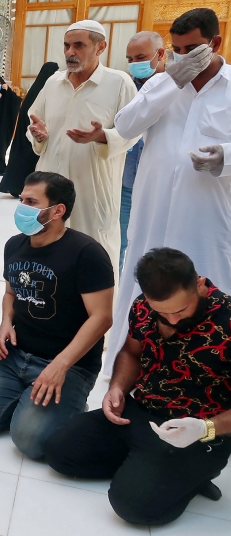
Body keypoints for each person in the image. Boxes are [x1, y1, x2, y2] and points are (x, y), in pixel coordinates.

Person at [46, 248, 230, 525]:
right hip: (141, 411)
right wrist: (117, 388)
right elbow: (131, 353)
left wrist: (207, 428)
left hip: (199, 430)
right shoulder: (143, 306)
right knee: (60, 452)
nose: (172, 320)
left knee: (134, 507)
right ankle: (144, 466)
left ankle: (191, 476)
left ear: (200, 285)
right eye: (162, 312)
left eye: (181, 309)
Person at [103, 8, 231, 378]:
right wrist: (168, 82)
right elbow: (126, 125)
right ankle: (126, 370)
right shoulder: (165, 83)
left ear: (215, 43)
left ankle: (205, 376)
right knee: (142, 281)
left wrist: (226, 157)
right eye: (176, 50)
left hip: (206, 213)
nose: (184, 57)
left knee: (207, 288)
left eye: (192, 49)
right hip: (154, 210)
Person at [0, 172, 114, 460]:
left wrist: (60, 365)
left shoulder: (87, 253)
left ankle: (64, 401)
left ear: (57, 211)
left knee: (30, 442)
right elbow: (10, 293)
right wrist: (6, 322)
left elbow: (102, 317)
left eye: (31, 202)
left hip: (68, 363)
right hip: (16, 355)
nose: (22, 208)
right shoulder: (14, 245)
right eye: (22, 200)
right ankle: (30, 400)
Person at [26, 20, 139, 278]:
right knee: (47, 255)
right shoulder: (53, 83)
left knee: (94, 257)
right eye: (66, 45)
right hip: (49, 187)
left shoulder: (119, 83)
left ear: (101, 47)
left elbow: (133, 132)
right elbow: (34, 122)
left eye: (79, 45)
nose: (70, 53)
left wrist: (103, 137)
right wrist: (38, 135)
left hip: (93, 188)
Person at [117, 32, 165, 272]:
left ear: (161, 54)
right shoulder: (126, 88)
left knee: (156, 245)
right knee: (120, 241)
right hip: (125, 182)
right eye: (130, 58)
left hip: (160, 186)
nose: (135, 64)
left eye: (141, 57)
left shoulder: (177, 89)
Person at [0, 62, 59, 197]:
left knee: (20, 160)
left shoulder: (36, 90)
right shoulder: (42, 91)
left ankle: (15, 186)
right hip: (32, 133)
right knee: (28, 162)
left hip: (26, 134)